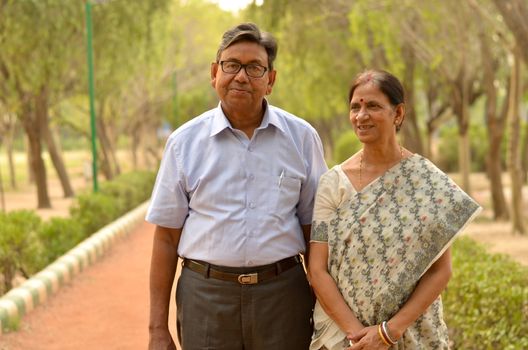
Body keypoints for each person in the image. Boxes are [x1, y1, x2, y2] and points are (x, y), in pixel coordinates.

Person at [146, 22, 327, 350]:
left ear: (270, 80)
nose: (241, 76)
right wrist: (157, 328)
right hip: (205, 297)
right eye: (231, 65)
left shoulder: (302, 139)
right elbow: (166, 237)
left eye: (255, 67)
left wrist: (326, 307)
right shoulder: (183, 143)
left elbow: (314, 231)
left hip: (283, 297)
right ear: (215, 72)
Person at [308, 69, 481, 350]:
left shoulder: (427, 182)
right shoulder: (333, 184)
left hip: (411, 333)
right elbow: (317, 269)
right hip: (343, 336)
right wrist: (359, 337)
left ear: (398, 113)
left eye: (373, 106)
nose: (361, 116)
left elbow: (441, 270)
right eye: (355, 107)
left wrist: (389, 332)